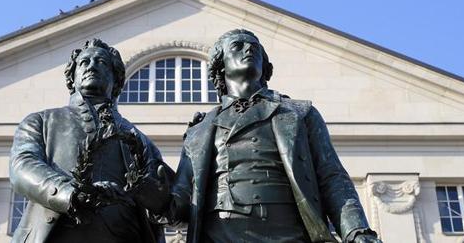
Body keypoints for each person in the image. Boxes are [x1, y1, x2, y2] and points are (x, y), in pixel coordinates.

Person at [163, 29, 381, 243]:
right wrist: (147, 191)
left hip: (288, 232)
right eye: (237, 46)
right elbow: (180, 202)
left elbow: (331, 176)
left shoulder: (299, 112)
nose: (249, 49)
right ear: (220, 66)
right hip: (222, 234)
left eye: (255, 47)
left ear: (265, 67)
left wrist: (356, 230)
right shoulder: (199, 129)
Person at [9, 39, 170, 243]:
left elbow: (166, 198)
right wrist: (70, 193)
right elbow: (22, 165)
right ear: (72, 78)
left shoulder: (141, 141)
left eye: (101, 62)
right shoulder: (41, 121)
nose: (91, 66)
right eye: (84, 62)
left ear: (116, 79)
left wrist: (157, 197)